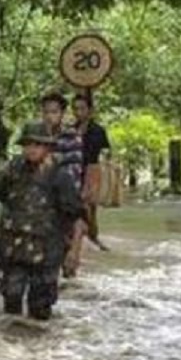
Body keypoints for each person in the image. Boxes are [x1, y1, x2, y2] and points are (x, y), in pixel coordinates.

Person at [0, 122, 83, 320]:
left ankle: (40, 347)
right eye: (27, 145)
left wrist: (73, 251)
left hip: (46, 250)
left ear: (47, 147)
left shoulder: (60, 174)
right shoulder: (13, 169)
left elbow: (74, 215)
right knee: (11, 303)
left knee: (40, 308)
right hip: (13, 247)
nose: (31, 149)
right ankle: (12, 347)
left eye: (37, 145)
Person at [38, 91, 87, 278]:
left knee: (67, 255)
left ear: (62, 113)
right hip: (39, 197)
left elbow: (73, 172)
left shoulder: (70, 136)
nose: (50, 116)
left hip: (63, 195)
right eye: (46, 112)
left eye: (54, 112)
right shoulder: (36, 134)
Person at [72, 92, 112, 255]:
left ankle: (93, 237)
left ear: (90, 110)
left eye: (82, 108)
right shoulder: (71, 130)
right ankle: (80, 239)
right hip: (74, 171)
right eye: (75, 109)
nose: (78, 112)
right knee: (75, 207)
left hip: (92, 172)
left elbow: (105, 153)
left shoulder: (98, 130)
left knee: (90, 209)